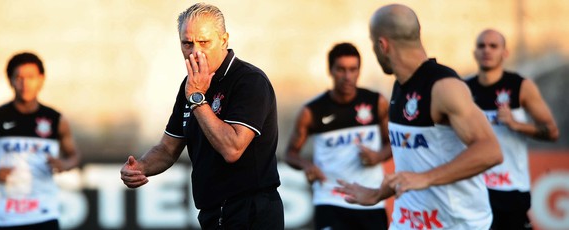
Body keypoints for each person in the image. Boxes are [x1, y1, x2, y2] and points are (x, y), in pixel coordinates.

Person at [334, 4, 503, 229]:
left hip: (456, 223)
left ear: (382, 45)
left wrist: (425, 178)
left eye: (372, 43)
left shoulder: (444, 86)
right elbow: (413, 164)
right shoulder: (399, 86)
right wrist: (377, 194)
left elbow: (490, 150)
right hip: (408, 221)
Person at [119, 3, 283, 229]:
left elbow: (232, 148)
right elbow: (168, 149)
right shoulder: (191, 86)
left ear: (224, 40)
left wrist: (197, 99)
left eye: (204, 42)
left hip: (250, 211)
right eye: (187, 43)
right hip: (211, 213)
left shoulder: (249, 81)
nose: (195, 51)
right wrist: (141, 167)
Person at [0, 52, 81, 230]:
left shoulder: (55, 119)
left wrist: (63, 164)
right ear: (10, 80)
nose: (25, 84)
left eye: (31, 77)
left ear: (41, 79)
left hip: (44, 213)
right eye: (19, 77)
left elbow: (74, 156)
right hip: (6, 215)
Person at [285, 42, 390, 230]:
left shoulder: (376, 102)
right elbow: (291, 153)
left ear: (359, 71)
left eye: (353, 69)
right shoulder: (312, 111)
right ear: (330, 70)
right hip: (330, 198)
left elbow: (393, 144)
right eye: (341, 69)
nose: (347, 77)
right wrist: (307, 166)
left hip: (370, 198)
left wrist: (378, 157)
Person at [466, 29, 559, 230]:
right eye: (481, 46)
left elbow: (551, 132)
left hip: (511, 188)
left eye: (493, 46)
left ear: (505, 53)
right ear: (474, 52)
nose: (487, 50)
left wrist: (516, 124)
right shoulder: (464, 89)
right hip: (476, 186)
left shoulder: (519, 86)